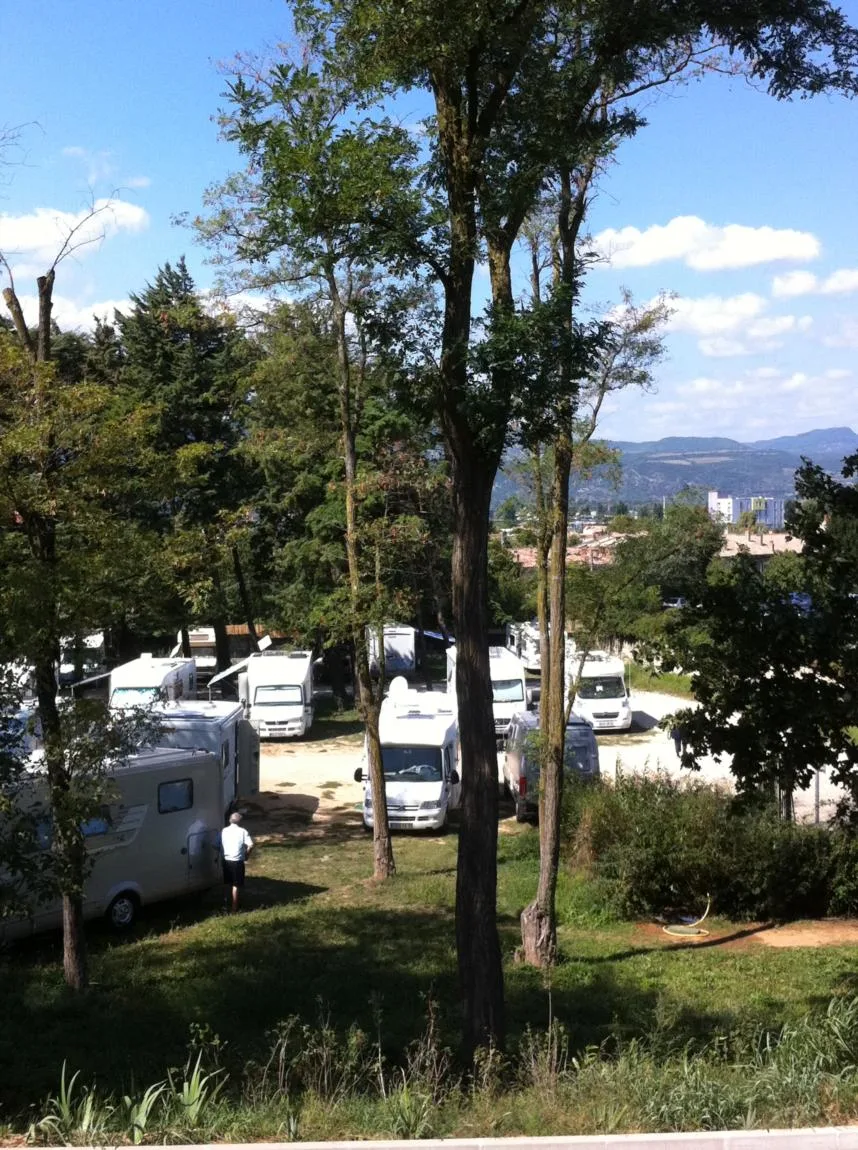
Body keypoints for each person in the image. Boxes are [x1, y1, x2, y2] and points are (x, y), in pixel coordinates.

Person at [221, 810, 253, 913]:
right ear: (240, 821)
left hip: (226, 860)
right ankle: (234, 907)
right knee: (236, 884)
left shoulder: (224, 831)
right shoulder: (243, 831)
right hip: (237, 861)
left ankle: (226, 903)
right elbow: (251, 844)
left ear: (230, 820)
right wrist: (247, 855)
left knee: (227, 882)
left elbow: (215, 844)